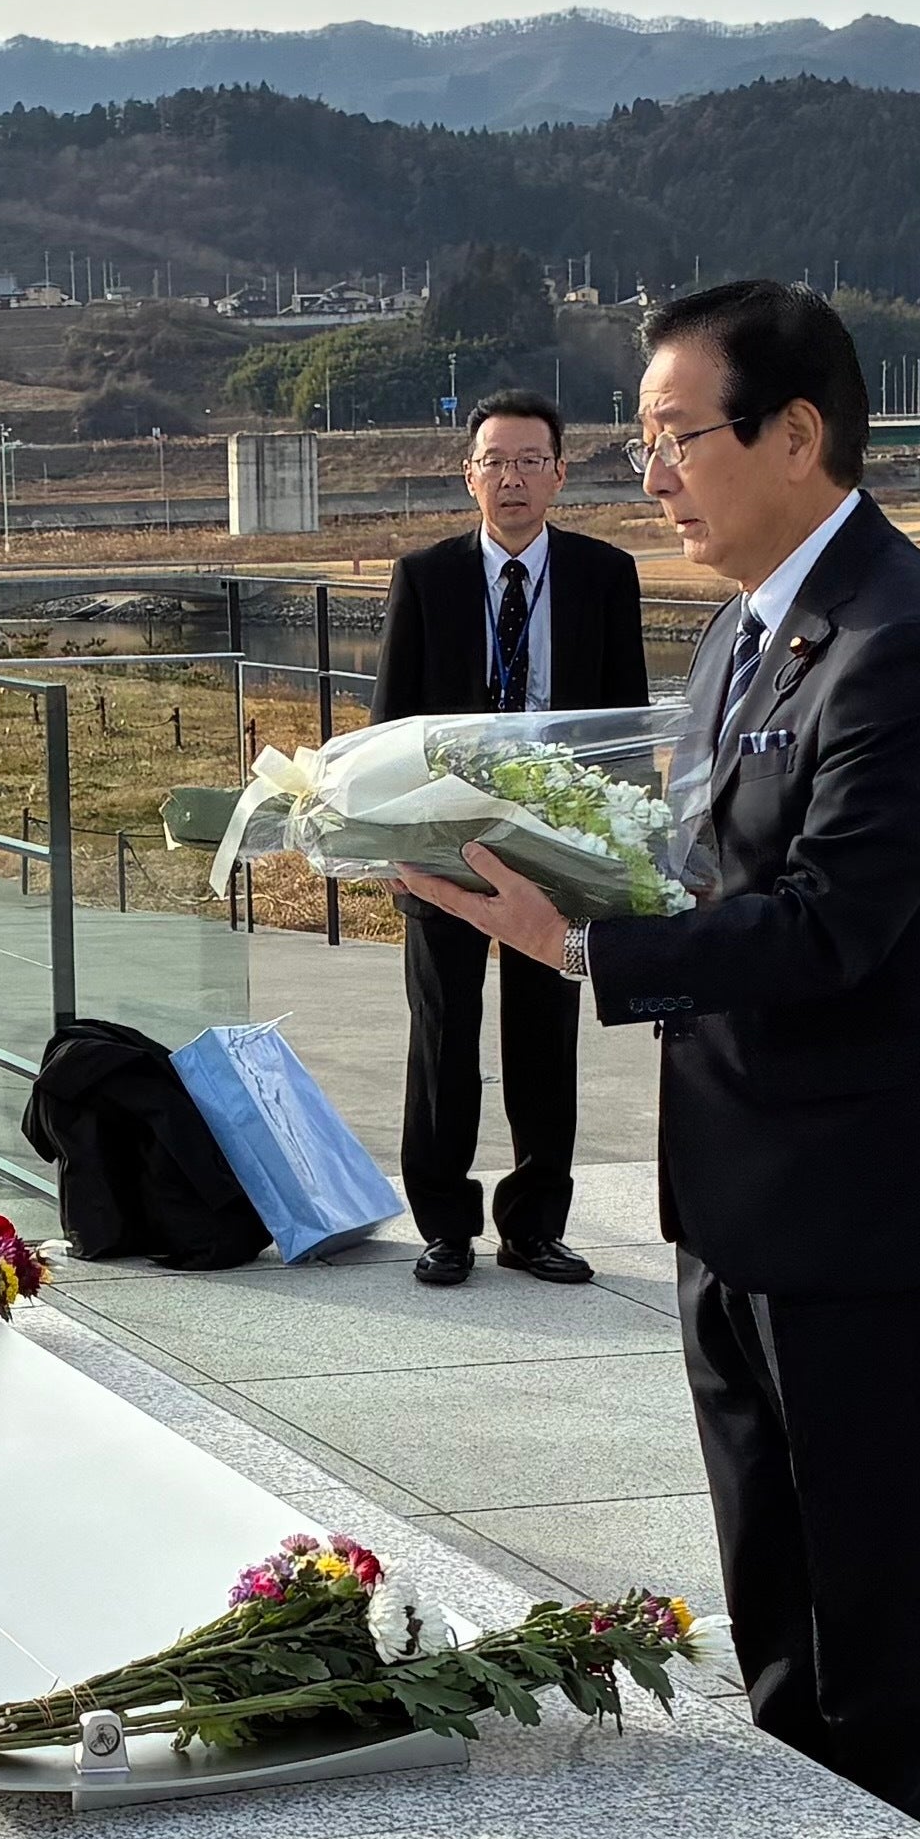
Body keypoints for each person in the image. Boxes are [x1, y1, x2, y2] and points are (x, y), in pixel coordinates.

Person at [401, 282, 920, 1839]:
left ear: (797, 433)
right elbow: (706, 868)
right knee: (773, 1588)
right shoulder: (748, 631)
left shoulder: (901, 643)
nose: (654, 475)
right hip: (742, 1185)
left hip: (862, 1205)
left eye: (676, 437)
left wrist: (581, 947)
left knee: (867, 1606)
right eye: (643, 444)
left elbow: (834, 927)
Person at [374, 390, 650, 1288]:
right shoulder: (425, 576)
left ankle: (534, 1227)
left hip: (556, 840)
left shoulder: (605, 574)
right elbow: (390, 726)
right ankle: (444, 1225)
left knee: (544, 1032)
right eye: (495, 461)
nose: (512, 478)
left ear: (560, 474)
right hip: (446, 835)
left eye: (531, 460)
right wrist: (394, 846)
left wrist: (623, 856)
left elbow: (629, 725)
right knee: (443, 1030)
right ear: (469, 477)